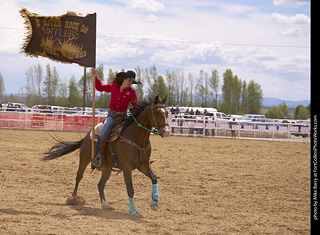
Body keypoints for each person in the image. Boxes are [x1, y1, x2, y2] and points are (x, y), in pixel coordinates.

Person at [91, 68, 139, 170]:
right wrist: (95, 76)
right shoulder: (114, 87)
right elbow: (99, 87)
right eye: (129, 80)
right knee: (103, 134)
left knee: (134, 133)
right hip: (112, 116)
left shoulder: (131, 92)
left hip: (124, 117)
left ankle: (139, 157)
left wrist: (134, 110)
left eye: (132, 82)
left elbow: (136, 105)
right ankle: (98, 157)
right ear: (124, 79)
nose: (130, 83)